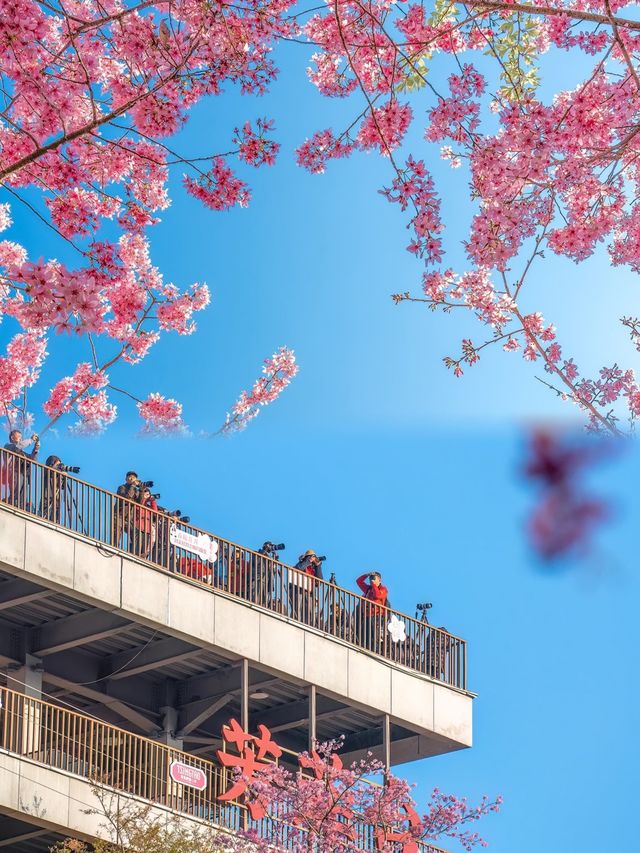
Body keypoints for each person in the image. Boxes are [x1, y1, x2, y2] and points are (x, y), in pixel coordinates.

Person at [2, 430, 40, 509]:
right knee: (16, 492)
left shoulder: (21, 452)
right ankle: (10, 504)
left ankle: (21, 507)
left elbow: (32, 459)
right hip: (14, 472)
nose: (21, 438)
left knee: (23, 495)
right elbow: (19, 446)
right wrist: (30, 440)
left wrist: (36, 449)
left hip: (24, 474)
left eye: (21, 437)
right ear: (12, 437)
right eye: (19, 436)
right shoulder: (8, 446)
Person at [356, 571, 390, 654]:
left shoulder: (383, 589)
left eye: (374, 578)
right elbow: (358, 581)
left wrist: (374, 585)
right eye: (371, 578)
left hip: (377, 616)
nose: (372, 580)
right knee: (365, 633)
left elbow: (377, 595)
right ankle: (366, 649)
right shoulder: (368, 589)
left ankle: (376, 651)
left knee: (374, 635)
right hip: (367, 615)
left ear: (380, 580)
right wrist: (366, 575)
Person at [289, 550, 324, 625]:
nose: (313, 559)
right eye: (311, 557)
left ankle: (309, 626)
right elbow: (299, 568)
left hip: (309, 593)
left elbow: (319, 581)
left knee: (310, 612)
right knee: (297, 609)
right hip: (298, 590)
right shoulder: (301, 563)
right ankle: (295, 623)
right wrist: (308, 561)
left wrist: (318, 566)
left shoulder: (313, 569)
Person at [113, 471, 139, 549]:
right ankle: (114, 548)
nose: (132, 479)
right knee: (117, 534)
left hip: (129, 518)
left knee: (135, 534)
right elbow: (127, 498)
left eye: (134, 478)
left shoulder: (136, 490)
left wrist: (142, 490)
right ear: (126, 479)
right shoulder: (121, 488)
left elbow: (140, 503)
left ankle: (132, 551)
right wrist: (133, 486)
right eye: (130, 477)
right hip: (119, 515)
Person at [132, 486, 157, 560]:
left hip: (147, 529)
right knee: (136, 548)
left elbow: (155, 512)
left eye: (148, 494)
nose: (147, 496)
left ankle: (142, 559)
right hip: (138, 527)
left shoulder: (149, 507)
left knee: (144, 548)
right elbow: (139, 506)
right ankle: (134, 559)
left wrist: (153, 500)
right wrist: (143, 498)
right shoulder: (137, 502)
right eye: (146, 494)